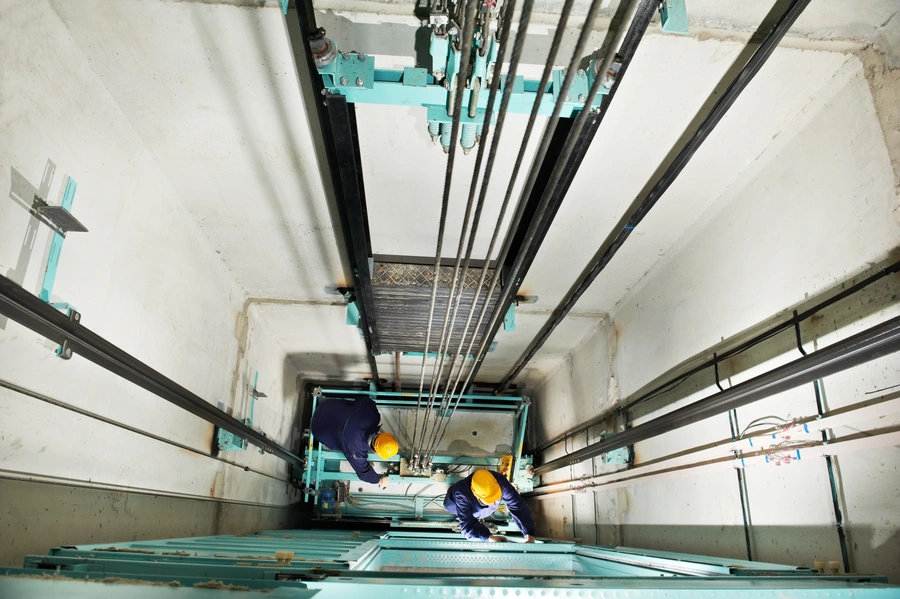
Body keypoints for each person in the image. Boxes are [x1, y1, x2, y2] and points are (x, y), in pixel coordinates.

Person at [310, 395, 398, 487]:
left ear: (383, 434)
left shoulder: (373, 415)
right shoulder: (356, 452)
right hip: (318, 427)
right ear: (375, 451)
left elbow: (363, 399)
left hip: (326, 405)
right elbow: (364, 473)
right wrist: (380, 481)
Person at [443, 469, 536, 542]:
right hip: (454, 504)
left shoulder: (500, 483)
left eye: (496, 498)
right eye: (490, 500)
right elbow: (467, 526)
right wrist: (488, 537)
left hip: (481, 507)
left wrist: (529, 533)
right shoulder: (462, 494)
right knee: (460, 510)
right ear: (476, 494)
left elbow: (518, 506)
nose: (495, 503)